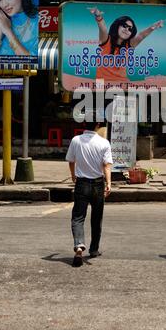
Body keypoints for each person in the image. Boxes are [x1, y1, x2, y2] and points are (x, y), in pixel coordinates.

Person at [65, 113, 113, 267]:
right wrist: (109, 183)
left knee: (78, 217)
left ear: (84, 124)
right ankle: (93, 249)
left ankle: (79, 245)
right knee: (96, 218)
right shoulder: (104, 143)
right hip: (98, 184)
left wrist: (73, 176)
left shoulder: (76, 140)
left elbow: (71, 161)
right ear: (98, 125)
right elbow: (106, 165)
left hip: (82, 183)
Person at [89, 7, 163, 83]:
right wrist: (98, 16)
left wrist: (152, 27)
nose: (126, 30)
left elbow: (141, 35)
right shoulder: (106, 40)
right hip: (102, 85)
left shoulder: (129, 46)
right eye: (124, 26)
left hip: (122, 85)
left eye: (130, 29)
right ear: (117, 25)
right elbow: (103, 29)